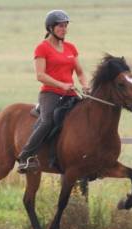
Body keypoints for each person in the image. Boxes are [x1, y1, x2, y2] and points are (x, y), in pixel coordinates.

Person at [18, 10, 89, 173]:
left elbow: (80, 72)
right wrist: (61, 85)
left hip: (70, 94)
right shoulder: (42, 48)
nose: (64, 29)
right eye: (60, 26)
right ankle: (26, 156)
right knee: (48, 120)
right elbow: (40, 75)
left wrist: (85, 85)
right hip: (50, 93)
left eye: (65, 26)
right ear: (50, 28)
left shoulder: (71, 47)